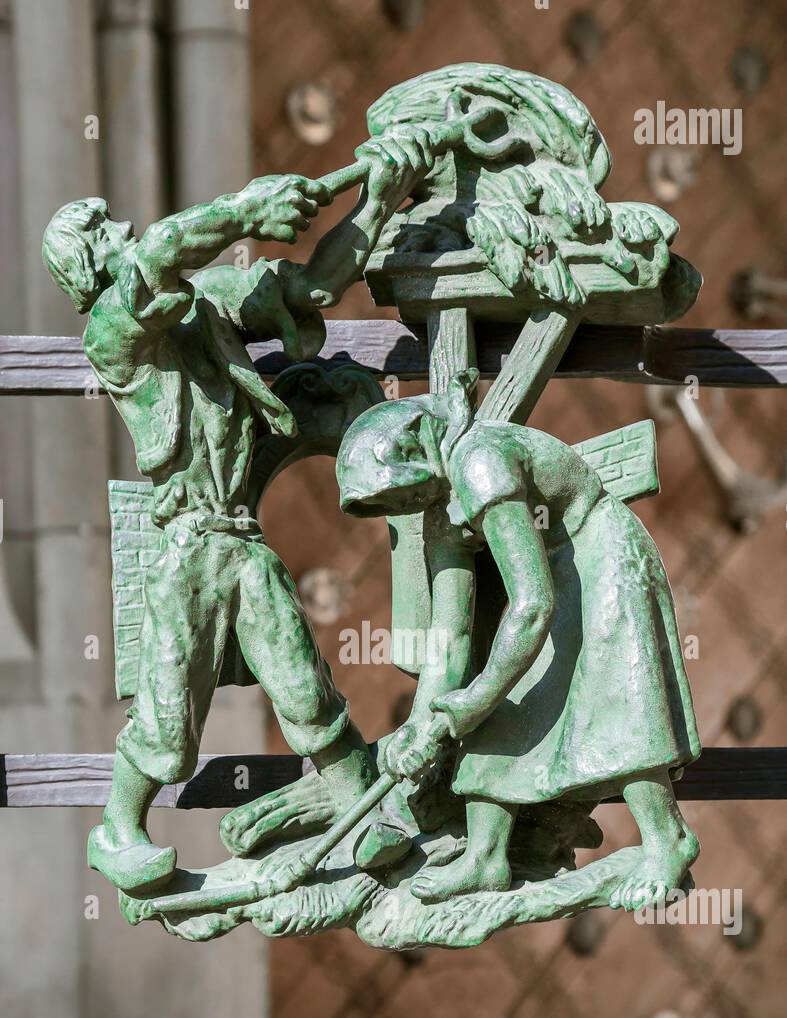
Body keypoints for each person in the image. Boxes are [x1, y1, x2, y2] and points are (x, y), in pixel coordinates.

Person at [42, 130, 438, 893]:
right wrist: (246, 205)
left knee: (306, 690)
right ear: (89, 266)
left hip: (236, 537)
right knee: (167, 718)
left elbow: (312, 288)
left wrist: (379, 197)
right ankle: (118, 829)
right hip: (186, 546)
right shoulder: (113, 331)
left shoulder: (201, 306)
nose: (123, 231)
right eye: (105, 232)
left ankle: (364, 820)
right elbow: (160, 251)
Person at [335, 369, 701, 906]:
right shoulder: (440, 514)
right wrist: (424, 722)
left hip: (601, 560)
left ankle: (668, 839)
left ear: (417, 442)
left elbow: (531, 604)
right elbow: (453, 635)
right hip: (552, 580)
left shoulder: (479, 460)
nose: (401, 507)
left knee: (616, 697)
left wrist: (475, 697)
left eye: (396, 491)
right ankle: (485, 858)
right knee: (496, 705)